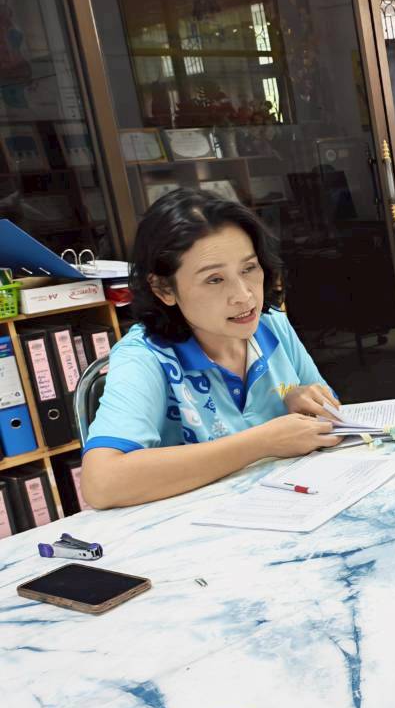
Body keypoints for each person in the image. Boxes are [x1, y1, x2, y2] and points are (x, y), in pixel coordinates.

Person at [81, 189, 341, 508]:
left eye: (249, 268)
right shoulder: (143, 357)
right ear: (164, 289)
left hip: (291, 506)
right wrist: (261, 442)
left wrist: (305, 401)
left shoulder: (271, 324)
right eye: (214, 280)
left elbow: (334, 420)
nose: (244, 296)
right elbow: (102, 483)